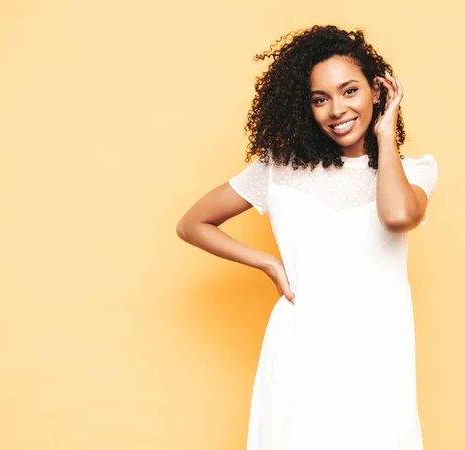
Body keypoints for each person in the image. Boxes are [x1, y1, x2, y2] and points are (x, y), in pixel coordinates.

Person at [176, 24, 438, 450]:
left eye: (349, 91)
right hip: (301, 344)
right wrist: (267, 262)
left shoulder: (415, 171)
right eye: (321, 99)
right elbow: (193, 224)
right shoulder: (279, 168)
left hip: (376, 348)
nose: (337, 109)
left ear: (377, 92)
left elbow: (396, 216)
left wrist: (385, 133)